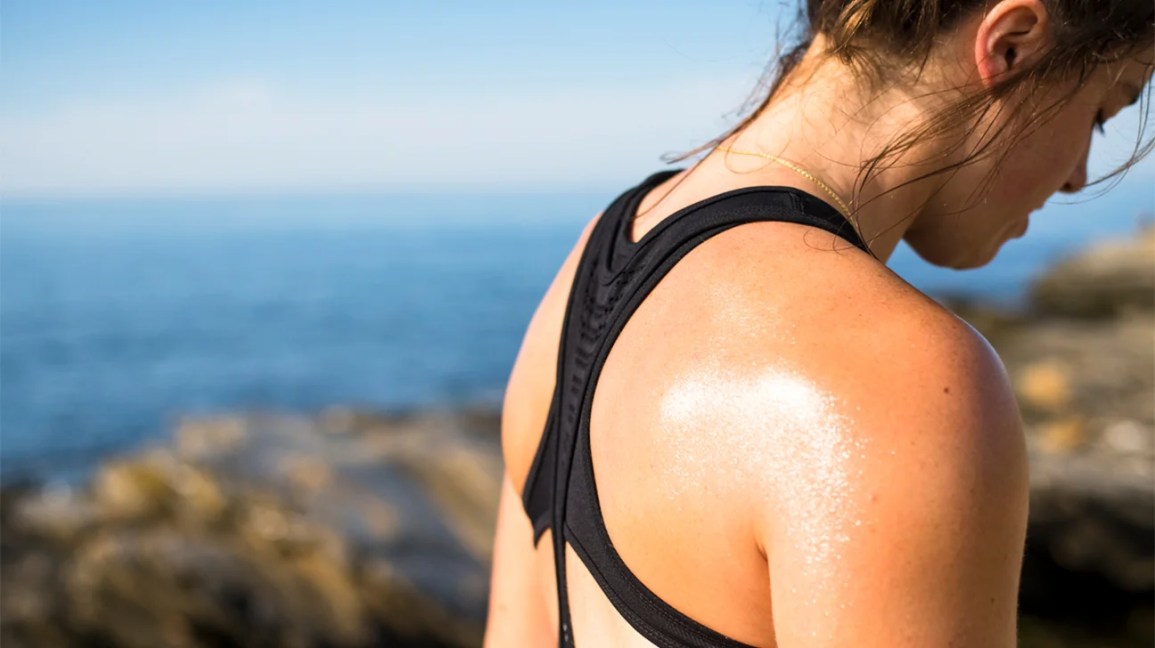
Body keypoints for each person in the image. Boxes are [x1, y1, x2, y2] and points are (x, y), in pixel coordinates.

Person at [485, 0, 1153, 645]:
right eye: (1101, 112)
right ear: (1011, 43)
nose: (1077, 176)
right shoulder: (894, 380)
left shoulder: (589, 260)